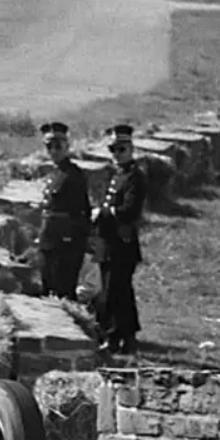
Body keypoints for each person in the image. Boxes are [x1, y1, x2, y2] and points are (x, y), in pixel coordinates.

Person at [92, 125, 146, 355]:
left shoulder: (135, 177)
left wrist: (102, 213)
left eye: (121, 149)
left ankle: (115, 336)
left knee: (114, 292)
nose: (117, 154)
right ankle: (127, 336)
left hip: (121, 243)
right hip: (109, 241)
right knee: (119, 291)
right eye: (113, 149)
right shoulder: (116, 174)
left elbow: (129, 210)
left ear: (131, 149)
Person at [36, 122, 91, 300]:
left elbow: (82, 210)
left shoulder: (73, 175)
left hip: (65, 243)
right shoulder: (55, 173)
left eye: (58, 146)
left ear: (67, 147)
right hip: (50, 239)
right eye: (49, 147)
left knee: (63, 290)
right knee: (47, 287)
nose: (53, 151)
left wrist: (73, 240)